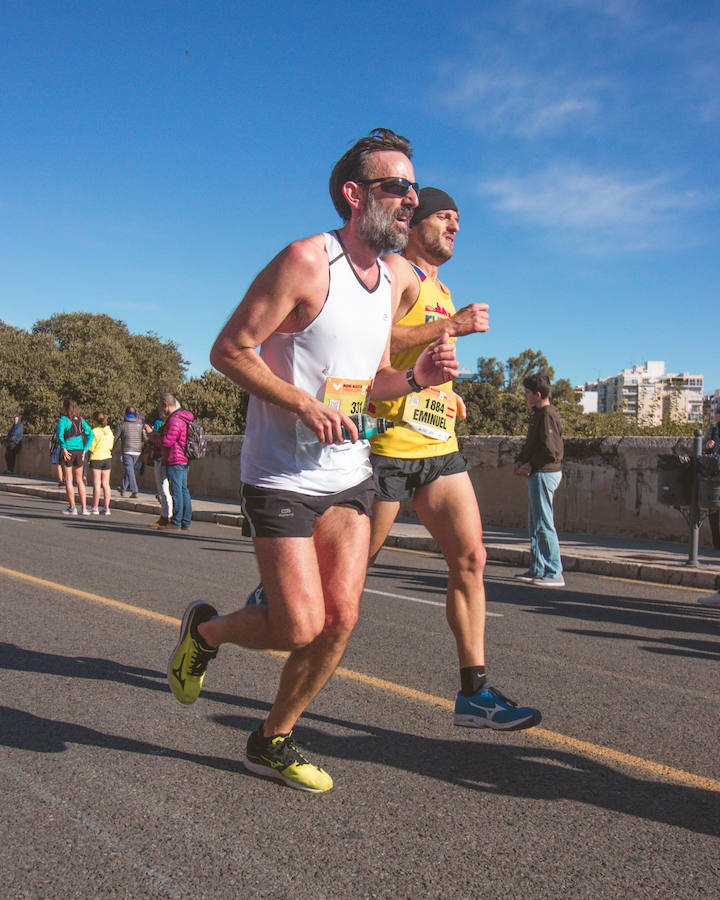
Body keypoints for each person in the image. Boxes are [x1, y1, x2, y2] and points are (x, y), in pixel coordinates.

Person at [169, 127, 457, 793]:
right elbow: (230, 349)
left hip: (350, 472)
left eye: (415, 187)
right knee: (297, 623)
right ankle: (206, 634)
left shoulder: (388, 280)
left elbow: (375, 377)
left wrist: (418, 379)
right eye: (397, 187)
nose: (412, 199)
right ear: (355, 195)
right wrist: (302, 405)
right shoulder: (306, 260)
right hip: (280, 474)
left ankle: (272, 738)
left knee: (341, 619)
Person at [367, 186, 541, 732]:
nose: (456, 227)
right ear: (415, 221)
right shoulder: (395, 271)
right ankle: (258, 605)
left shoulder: (442, 287)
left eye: (459, 220)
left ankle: (475, 693)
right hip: (388, 448)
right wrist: (452, 327)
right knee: (345, 575)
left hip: (439, 448)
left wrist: (448, 393)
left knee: (472, 560)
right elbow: (378, 343)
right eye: (446, 217)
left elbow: (426, 360)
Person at [513, 372, 565, 587]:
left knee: (544, 523)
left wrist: (530, 464)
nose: (525, 396)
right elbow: (533, 444)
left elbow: (551, 450)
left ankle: (554, 571)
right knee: (535, 523)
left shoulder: (546, 415)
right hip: (538, 472)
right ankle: (538, 568)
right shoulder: (538, 414)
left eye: (527, 393)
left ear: (537, 394)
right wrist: (521, 460)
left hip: (545, 473)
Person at [144, 394, 193, 531]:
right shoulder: (181, 418)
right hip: (182, 458)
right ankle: (185, 521)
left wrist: (151, 435)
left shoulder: (175, 420)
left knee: (176, 490)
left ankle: (176, 522)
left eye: (160, 406)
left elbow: (167, 442)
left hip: (175, 458)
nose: (160, 409)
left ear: (165, 404)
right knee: (183, 490)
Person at [56, 399, 93, 516]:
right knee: (79, 480)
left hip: (68, 451)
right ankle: (84, 508)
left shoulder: (64, 420)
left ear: (65, 408)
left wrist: (63, 448)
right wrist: (85, 449)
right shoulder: (81, 420)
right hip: (79, 451)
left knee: (68, 480)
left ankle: (72, 508)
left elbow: (59, 434)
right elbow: (91, 434)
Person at [146, 407, 173, 528]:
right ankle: (166, 515)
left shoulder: (167, 426)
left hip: (162, 458)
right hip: (163, 458)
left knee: (164, 488)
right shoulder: (166, 425)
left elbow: (163, 442)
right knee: (164, 489)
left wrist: (151, 433)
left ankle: (166, 516)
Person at [114, 406, 144, 497]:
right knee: (129, 470)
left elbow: (115, 438)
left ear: (126, 413)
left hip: (127, 450)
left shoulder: (122, 425)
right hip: (138, 451)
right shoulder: (140, 425)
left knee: (129, 469)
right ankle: (123, 488)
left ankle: (135, 490)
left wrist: (111, 448)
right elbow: (145, 438)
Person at [88, 412, 114, 515]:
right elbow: (111, 445)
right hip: (107, 457)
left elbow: (91, 446)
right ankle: (106, 507)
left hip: (96, 458)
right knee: (106, 483)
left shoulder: (94, 432)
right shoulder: (109, 431)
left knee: (97, 483)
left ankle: (95, 506)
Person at [702, 407, 720, 551]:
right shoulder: (712, 431)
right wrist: (707, 446)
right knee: (713, 510)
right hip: (713, 476)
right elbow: (701, 449)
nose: (716, 416)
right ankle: (717, 543)